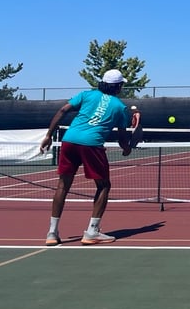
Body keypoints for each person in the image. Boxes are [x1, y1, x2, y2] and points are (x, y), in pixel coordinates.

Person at [40, 69, 132, 246]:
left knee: (62, 185)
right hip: (91, 144)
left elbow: (62, 110)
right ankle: (92, 232)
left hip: (69, 140)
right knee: (104, 185)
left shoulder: (86, 95)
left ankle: (52, 233)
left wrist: (49, 135)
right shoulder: (120, 107)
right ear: (118, 86)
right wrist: (127, 148)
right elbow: (122, 139)